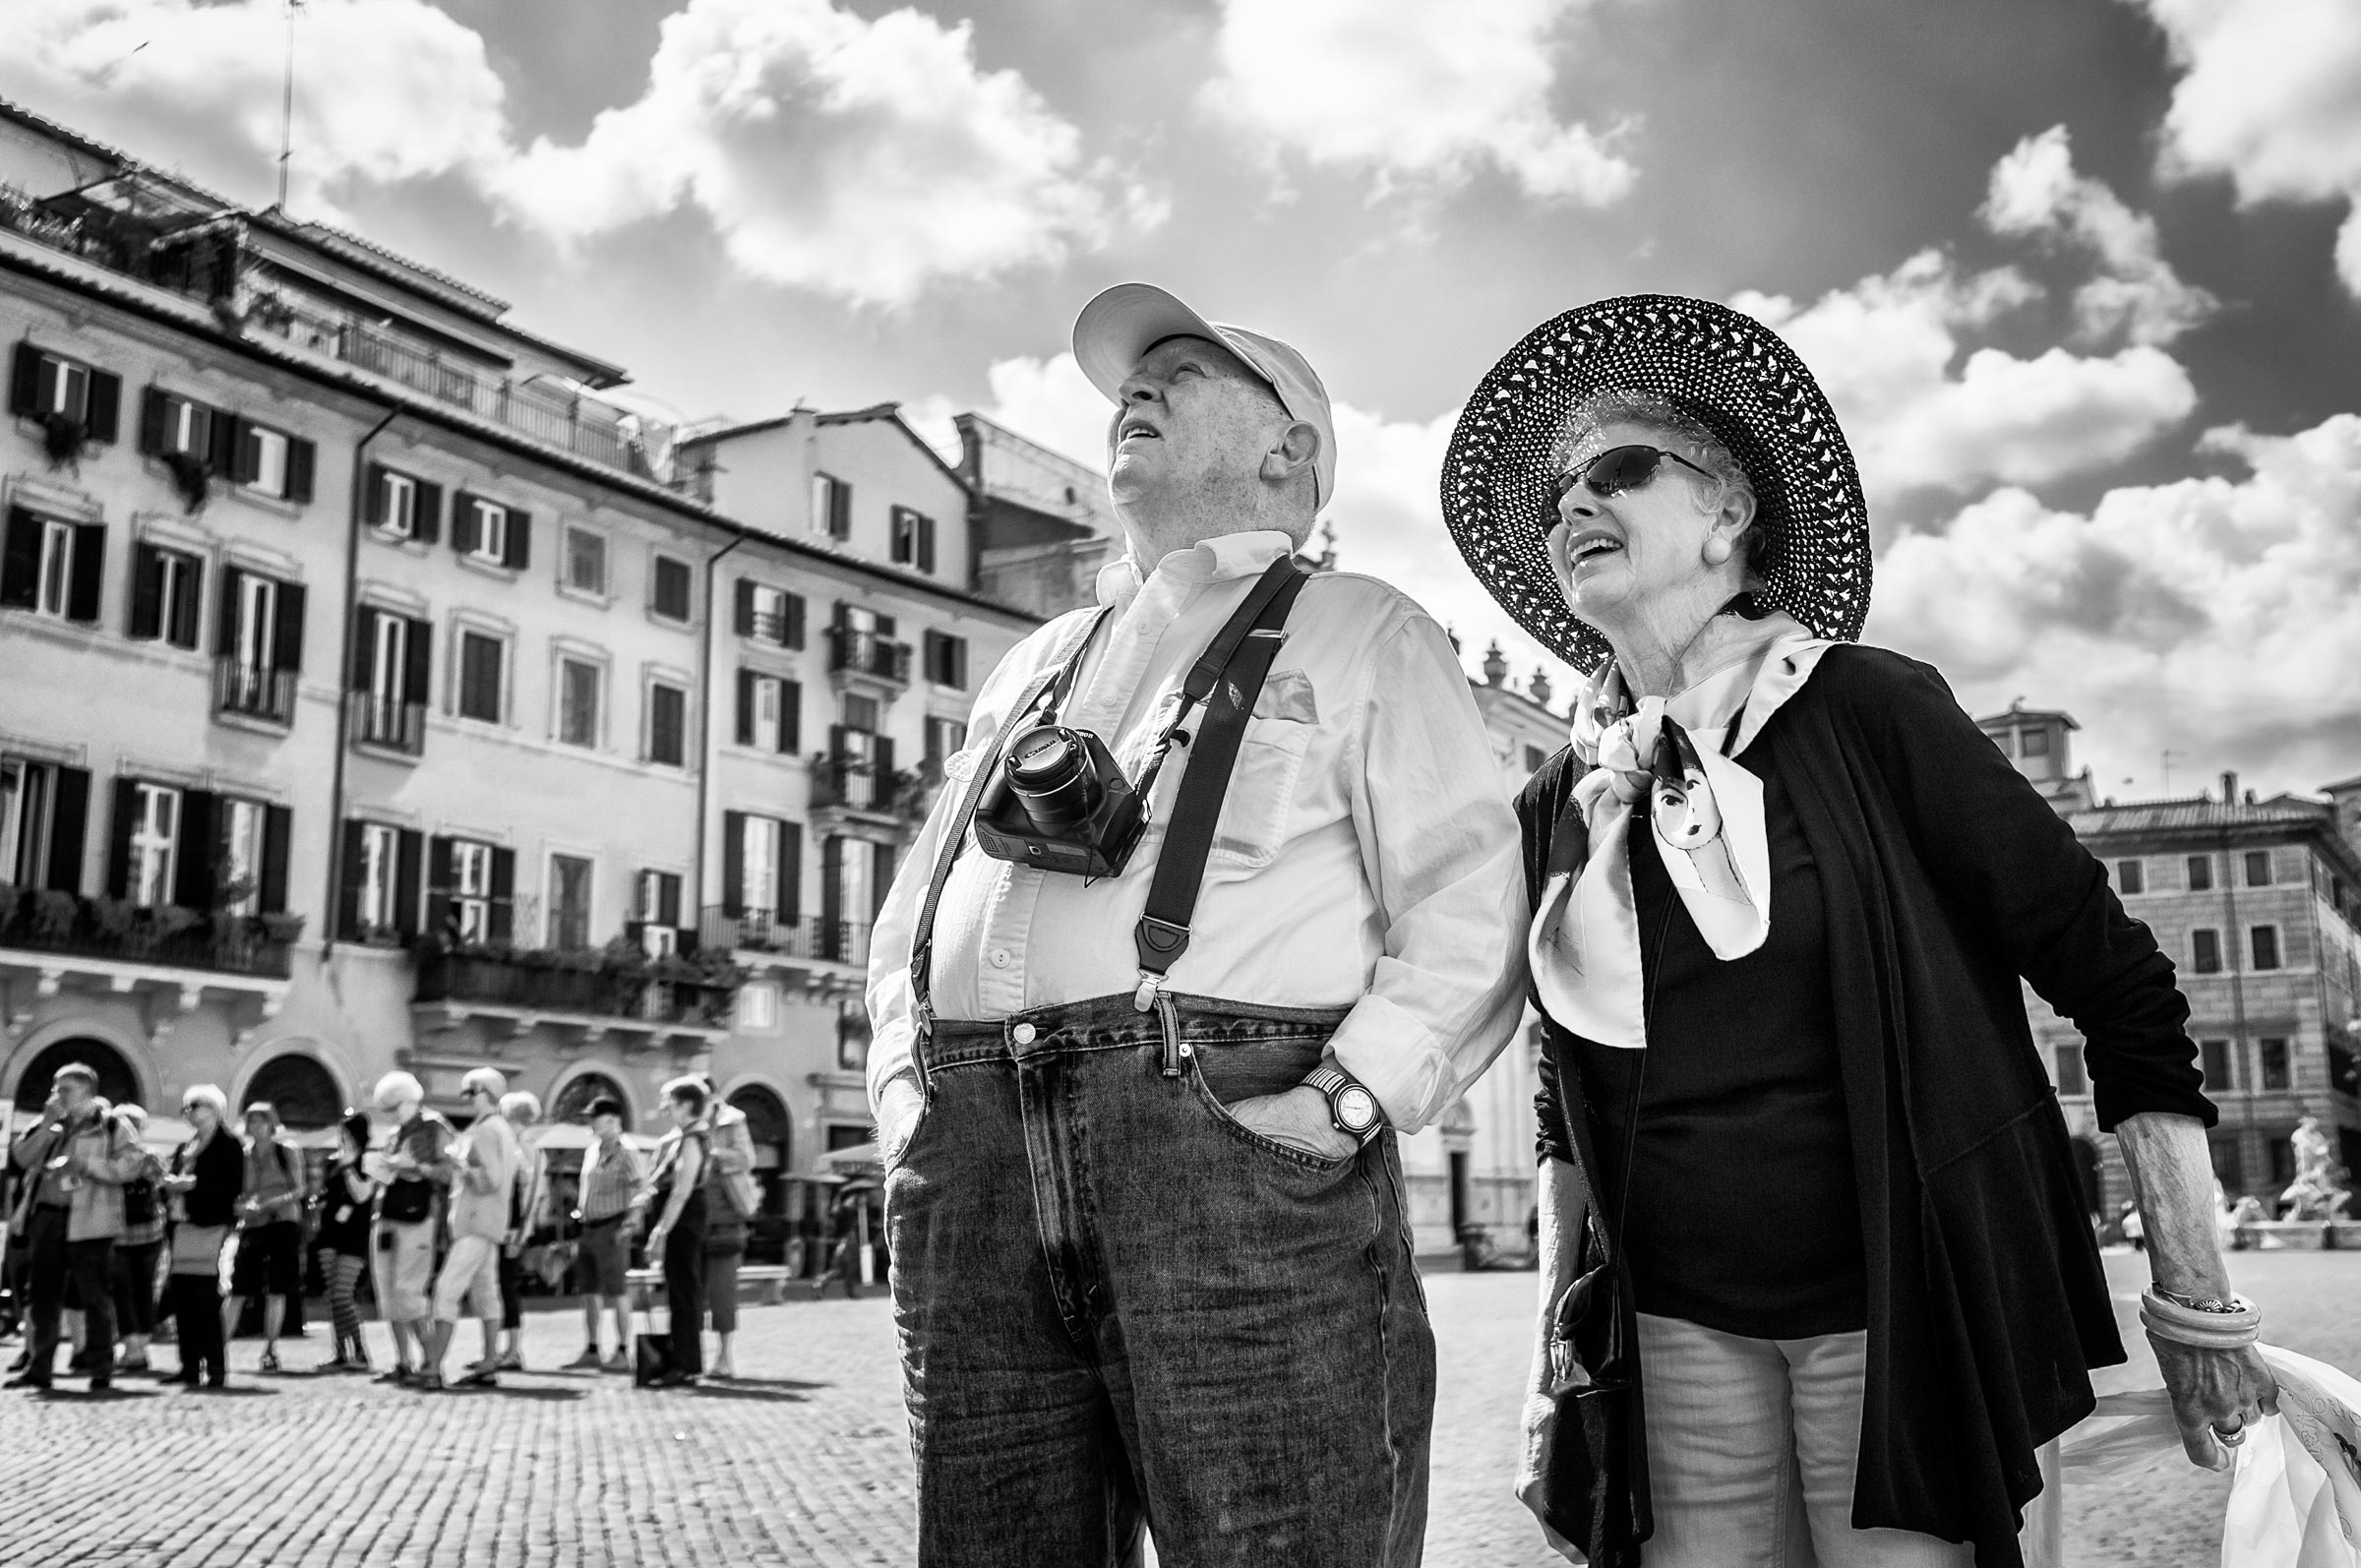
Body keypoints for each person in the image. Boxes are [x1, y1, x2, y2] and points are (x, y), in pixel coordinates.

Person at [1437, 295, 2277, 1566]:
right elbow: (1565, 1091)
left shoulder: (1871, 709)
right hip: (1673, 1329)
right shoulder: (1569, 794)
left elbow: (2120, 982)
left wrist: (2196, 1291)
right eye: (1558, 493)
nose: (1571, 505)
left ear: (1730, 520)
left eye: (1617, 469)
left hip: (1908, 1310)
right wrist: (1566, 1342)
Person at [865, 282, 1528, 1566]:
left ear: (1291, 451)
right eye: (1131, 380)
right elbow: (919, 901)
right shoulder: (1043, 655)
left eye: (1183, 369)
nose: (1137, 391)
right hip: (976, 1160)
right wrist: (904, 1089)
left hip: (1228, 1143)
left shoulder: (1363, 627)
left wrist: (1341, 1103)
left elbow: (1470, 902)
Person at [5, 1062, 146, 1391]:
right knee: (42, 1295)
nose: (56, 1095)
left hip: (92, 1220)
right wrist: (46, 1129)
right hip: (48, 1216)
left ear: (87, 1092)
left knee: (93, 1296)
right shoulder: (50, 1122)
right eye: (55, 1087)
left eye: (64, 1089)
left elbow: (132, 1164)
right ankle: (39, 1367)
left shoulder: (113, 1125)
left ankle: (100, 1368)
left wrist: (85, 1164)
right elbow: (21, 1157)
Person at [423, 1067, 519, 1390]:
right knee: (486, 1294)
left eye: (472, 1092)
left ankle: (434, 1368)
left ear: (487, 1093)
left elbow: (488, 1179)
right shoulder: (499, 1128)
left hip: (476, 1223)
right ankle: (489, 1363)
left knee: (446, 1292)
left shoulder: (485, 1131)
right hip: (489, 1223)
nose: (467, 1099)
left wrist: (460, 1166)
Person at [369, 1070, 455, 1385]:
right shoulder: (396, 1133)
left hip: (419, 1217)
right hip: (387, 1215)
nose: (391, 1115)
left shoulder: (436, 1128)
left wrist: (415, 1168)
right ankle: (403, 1362)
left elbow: (450, 1173)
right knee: (388, 1294)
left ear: (408, 1100)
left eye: (393, 1107)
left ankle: (431, 1364)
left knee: (410, 1293)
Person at [160, 1084, 244, 1389]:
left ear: (213, 1109)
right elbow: (167, 1180)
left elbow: (231, 1186)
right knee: (183, 1299)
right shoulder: (186, 1146)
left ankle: (217, 1368)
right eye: (187, 1107)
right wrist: (168, 1185)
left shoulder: (229, 1145)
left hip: (211, 1226)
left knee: (206, 1300)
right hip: (182, 1226)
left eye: (194, 1106)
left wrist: (191, 1186)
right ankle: (189, 1366)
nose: (189, 1112)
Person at [637, 1076, 709, 1388]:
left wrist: (660, 1232)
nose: (664, 1106)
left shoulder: (692, 1140)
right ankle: (685, 1362)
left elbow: (681, 1191)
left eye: (669, 1100)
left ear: (686, 1105)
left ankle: (685, 1364)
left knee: (684, 1295)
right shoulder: (686, 1137)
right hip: (685, 1223)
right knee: (683, 1293)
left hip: (685, 1224)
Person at [224, 1101, 306, 1373]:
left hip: (283, 1223)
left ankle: (270, 1349)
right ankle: (217, 1350)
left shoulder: (286, 1150)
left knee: (277, 1289)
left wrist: (268, 1204)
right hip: (253, 1225)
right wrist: (241, 1207)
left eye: (262, 1121)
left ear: (272, 1124)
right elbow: (235, 1193)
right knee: (238, 1288)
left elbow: (299, 1188)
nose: (257, 1127)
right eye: (253, 1121)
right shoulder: (243, 1155)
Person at [567, 1096, 641, 1372]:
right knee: (588, 1291)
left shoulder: (627, 1151)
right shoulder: (593, 1150)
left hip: (613, 1228)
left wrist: (628, 1225)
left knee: (617, 1291)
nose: (590, 1123)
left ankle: (623, 1350)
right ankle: (593, 1349)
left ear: (611, 1120)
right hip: (588, 1228)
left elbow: (641, 1191)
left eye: (593, 1118)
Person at [696, 1077, 756, 1379]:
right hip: (694, 1220)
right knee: (692, 1295)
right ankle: (693, 1357)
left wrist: (712, 1155)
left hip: (726, 1217)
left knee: (722, 1294)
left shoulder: (733, 1120)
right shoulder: (688, 1124)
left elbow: (747, 1159)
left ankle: (724, 1356)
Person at [106, 1104, 166, 1375]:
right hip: (140, 1231)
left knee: (130, 1289)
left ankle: (135, 1347)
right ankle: (136, 1346)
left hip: (136, 1232)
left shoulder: (139, 1157)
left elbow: (160, 1184)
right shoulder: (148, 1155)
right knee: (138, 1289)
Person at [316, 1112, 379, 1372]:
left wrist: (348, 1167)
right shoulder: (332, 1162)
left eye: (347, 1132)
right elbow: (328, 1194)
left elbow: (362, 1195)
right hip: (329, 1233)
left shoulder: (373, 1160)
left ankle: (361, 1352)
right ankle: (342, 1352)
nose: (342, 1137)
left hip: (355, 1235)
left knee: (343, 1295)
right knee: (334, 1296)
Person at [494, 1090, 545, 1372]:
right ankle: (505, 1349)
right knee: (502, 1288)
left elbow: (530, 1197)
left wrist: (520, 1233)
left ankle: (513, 1350)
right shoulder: (521, 1145)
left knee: (507, 1288)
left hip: (512, 1231)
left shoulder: (526, 1149)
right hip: (508, 1229)